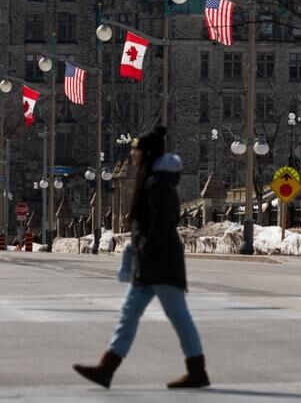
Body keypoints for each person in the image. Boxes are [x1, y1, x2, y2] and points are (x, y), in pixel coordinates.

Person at [73, 126, 209, 390]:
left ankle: (197, 371)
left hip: (160, 263)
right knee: (128, 314)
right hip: (149, 264)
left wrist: (145, 246)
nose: (132, 155)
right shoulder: (153, 180)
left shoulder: (156, 183)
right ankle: (106, 368)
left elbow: (164, 219)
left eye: (135, 150)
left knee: (179, 317)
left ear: (146, 153)